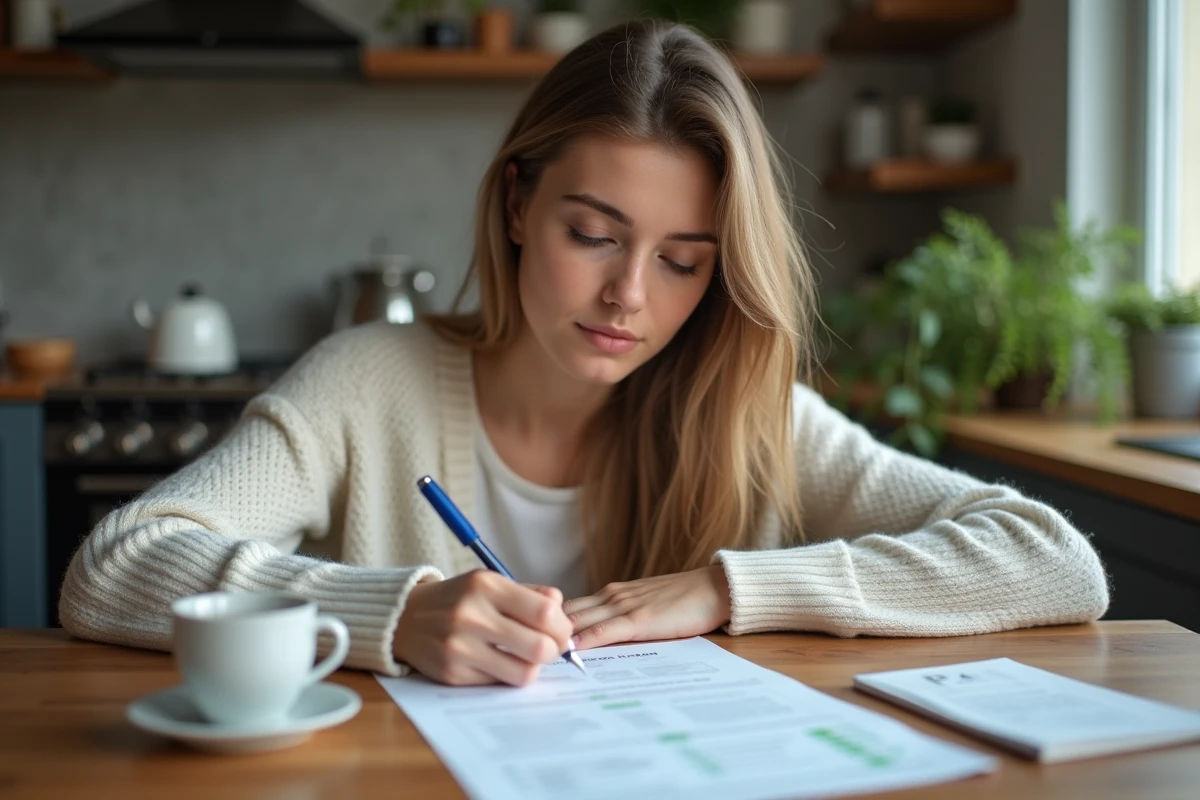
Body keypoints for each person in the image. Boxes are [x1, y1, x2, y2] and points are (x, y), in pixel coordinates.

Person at [59, 20, 1109, 687]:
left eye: (685, 261)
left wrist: (726, 587)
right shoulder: (366, 380)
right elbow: (114, 568)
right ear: (519, 203)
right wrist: (398, 610)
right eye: (594, 235)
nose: (628, 296)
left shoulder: (746, 414)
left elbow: (1055, 558)